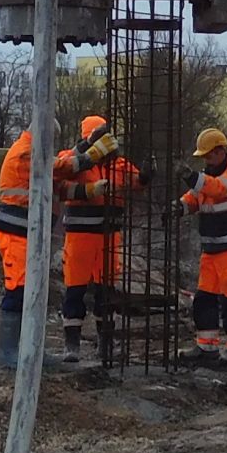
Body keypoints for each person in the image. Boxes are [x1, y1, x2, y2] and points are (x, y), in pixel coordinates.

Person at [52, 113, 141, 367]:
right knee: (75, 290)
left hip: (109, 234)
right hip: (80, 236)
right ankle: (72, 344)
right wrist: (84, 151)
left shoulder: (118, 165)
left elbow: (135, 181)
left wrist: (146, 176)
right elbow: (62, 168)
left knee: (107, 291)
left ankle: (106, 342)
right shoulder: (73, 160)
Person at [175, 126, 227, 363]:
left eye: (209, 156)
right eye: (204, 157)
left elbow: (217, 190)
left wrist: (191, 177)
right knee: (204, 299)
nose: (207, 161)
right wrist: (177, 208)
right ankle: (206, 346)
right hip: (210, 250)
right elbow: (194, 199)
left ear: (220, 152)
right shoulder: (207, 177)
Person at [0, 127, 37, 370]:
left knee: (28, 288)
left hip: (22, 232)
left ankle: (26, 349)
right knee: (17, 287)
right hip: (14, 232)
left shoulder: (28, 149)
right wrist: (84, 155)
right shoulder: (26, 153)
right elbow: (55, 167)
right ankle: (7, 353)